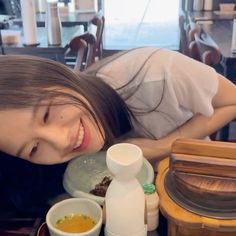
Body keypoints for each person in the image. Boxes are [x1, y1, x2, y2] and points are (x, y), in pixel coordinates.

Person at [0, 47, 236, 166]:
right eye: (33, 149)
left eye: (46, 114)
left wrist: (161, 146)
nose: (61, 143)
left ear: (58, 74)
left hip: (193, 185)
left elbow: (232, 100)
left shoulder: (157, 73)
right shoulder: (49, 172)